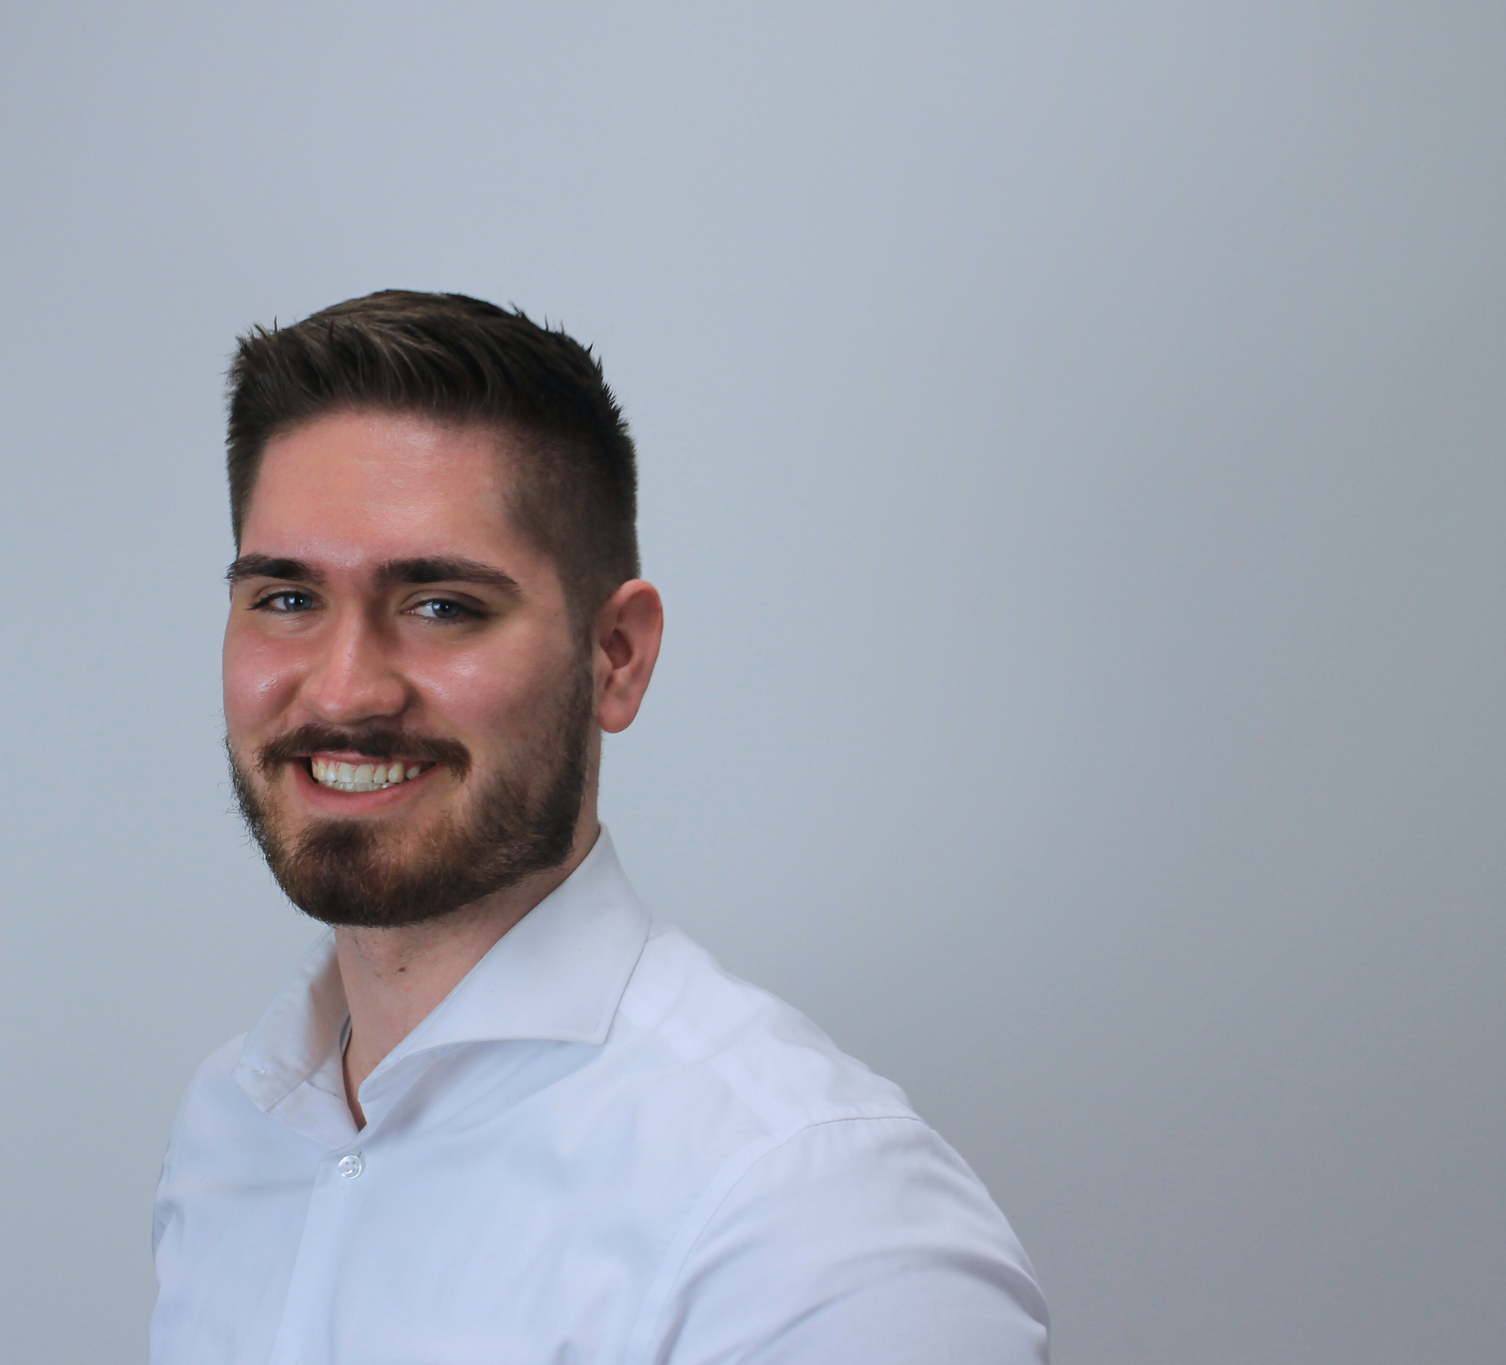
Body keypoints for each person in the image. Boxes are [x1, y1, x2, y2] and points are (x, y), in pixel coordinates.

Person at [149, 291, 1049, 1363]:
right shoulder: (227, 1134)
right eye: (286, 599)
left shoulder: (811, 1226)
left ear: (615, 656)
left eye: (441, 605)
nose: (342, 690)